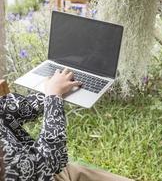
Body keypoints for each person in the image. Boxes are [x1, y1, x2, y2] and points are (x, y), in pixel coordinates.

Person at [0, 69, 132, 181]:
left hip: (51, 168)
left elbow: (11, 108)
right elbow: (46, 162)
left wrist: (53, 89)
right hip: (44, 168)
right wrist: (53, 96)